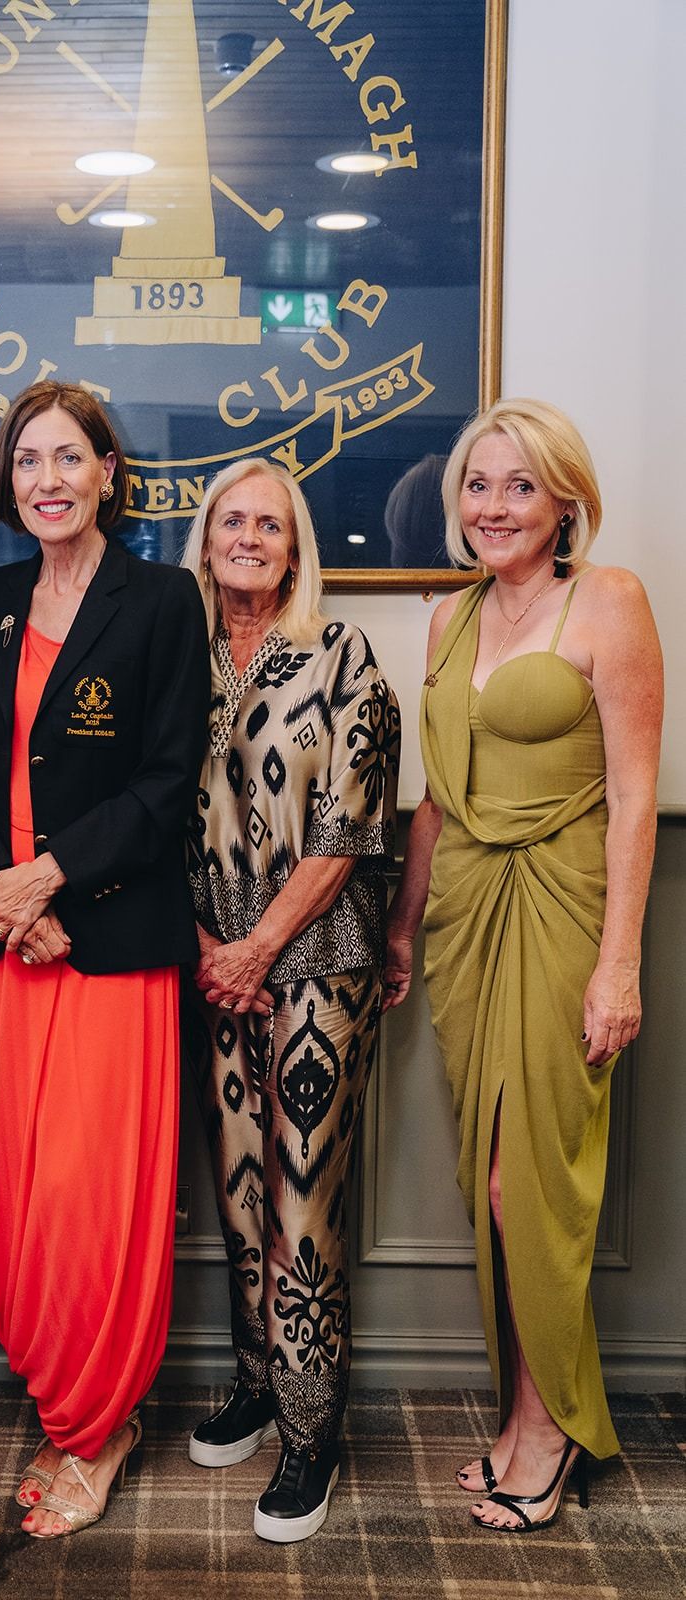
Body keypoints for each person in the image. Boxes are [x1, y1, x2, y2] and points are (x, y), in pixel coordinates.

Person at [0, 380, 209, 1538]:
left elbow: (166, 780)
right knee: (21, 1198)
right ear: (8, 482)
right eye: (26, 460)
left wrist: (50, 877)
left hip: (109, 939)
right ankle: (60, 1402)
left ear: (108, 472)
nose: (46, 478)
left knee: (91, 1192)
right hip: (8, 943)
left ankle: (98, 1425)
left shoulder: (163, 600)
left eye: (67, 457)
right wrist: (5, 898)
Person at [383, 399, 662, 1532]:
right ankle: (518, 1416)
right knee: (485, 1183)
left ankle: (549, 1433)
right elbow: (435, 799)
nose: (492, 506)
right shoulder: (445, 618)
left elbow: (635, 798)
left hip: (562, 909)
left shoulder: (609, 599)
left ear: (563, 500)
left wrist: (618, 966)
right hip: (463, 916)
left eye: (518, 485)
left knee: (530, 1184)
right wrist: (402, 925)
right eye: (476, 484)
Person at [180, 458, 400, 1543]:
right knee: (237, 1188)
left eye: (269, 523)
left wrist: (260, 948)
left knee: (301, 1195)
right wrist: (213, 950)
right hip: (212, 957)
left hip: (319, 954)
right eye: (231, 519)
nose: (249, 537)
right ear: (205, 537)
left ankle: (312, 1432)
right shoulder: (176, 654)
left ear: (296, 544)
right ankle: (258, 1383)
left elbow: (349, 825)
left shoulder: (341, 654)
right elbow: (151, 811)